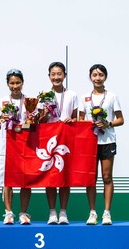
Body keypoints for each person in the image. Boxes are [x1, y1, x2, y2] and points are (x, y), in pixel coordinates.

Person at [79, 64, 124, 226]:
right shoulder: (84, 97)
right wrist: (88, 124)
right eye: (94, 75)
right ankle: (92, 213)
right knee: (91, 179)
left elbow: (121, 119)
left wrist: (108, 123)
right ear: (90, 77)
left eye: (100, 75)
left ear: (105, 77)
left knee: (106, 177)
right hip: (89, 143)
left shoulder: (111, 96)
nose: (97, 78)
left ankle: (106, 213)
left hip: (107, 141)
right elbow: (80, 119)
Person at [38, 62, 80, 225]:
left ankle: (63, 212)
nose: (56, 77)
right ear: (49, 76)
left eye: (59, 74)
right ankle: (52, 212)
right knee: (50, 177)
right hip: (49, 139)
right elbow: (39, 120)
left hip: (66, 140)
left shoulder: (72, 95)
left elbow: (78, 118)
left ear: (64, 75)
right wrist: (46, 114)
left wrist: (73, 119)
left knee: (64, 176)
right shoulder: (44, 96)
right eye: (53, 74)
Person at [0, 69, 31, 225]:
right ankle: (8, 212)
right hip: (7, 146)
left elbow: (32, 124)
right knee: (7, 180)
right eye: (12, 83)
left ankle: (23, 212)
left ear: (22, 83)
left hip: (26, 146)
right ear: (7, 84)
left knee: (25, 180)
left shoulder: (30, 101)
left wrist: (29, 121)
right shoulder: (1, 101)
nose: (15, 86)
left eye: (18, 83)